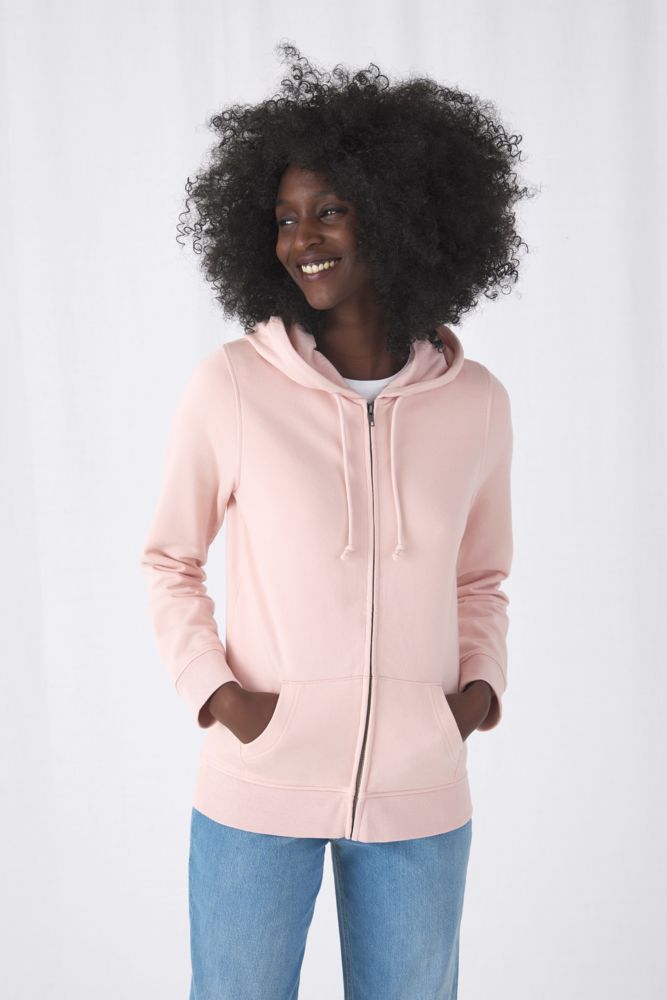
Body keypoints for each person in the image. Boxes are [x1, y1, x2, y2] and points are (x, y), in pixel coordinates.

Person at [140, 40, 532, 1000]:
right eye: (284, 217)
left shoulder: (477, 402)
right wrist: (221, 698)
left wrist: (474, 694)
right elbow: (169, 559)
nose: (301, 239)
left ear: (398, 215)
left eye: (328, 211)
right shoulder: (233, 386)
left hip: (419, 790)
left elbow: (481, 576)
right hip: (258, 781)